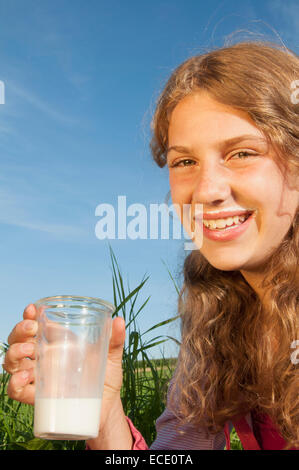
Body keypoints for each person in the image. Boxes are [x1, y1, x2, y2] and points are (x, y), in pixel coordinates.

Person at [3, 40, 299, 450]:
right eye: (184, 162)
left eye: (242, 153)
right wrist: (103, 412)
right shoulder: (216, 318)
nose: (207, 190)